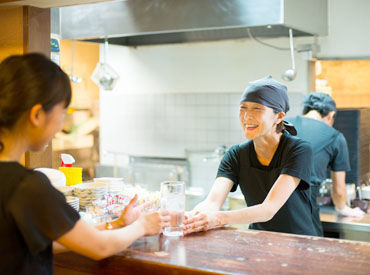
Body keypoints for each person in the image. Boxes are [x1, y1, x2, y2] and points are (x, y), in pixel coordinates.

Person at [0, 53, 170, 275]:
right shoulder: (28, 187)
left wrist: (117, 224)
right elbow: (100, 247)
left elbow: (45, 242)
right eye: (62, 112)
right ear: (37, 115)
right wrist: (142, 226)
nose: (62, 123)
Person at [183, 76, 317, 236]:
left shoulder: (298, 150)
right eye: (243, 107)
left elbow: (269, 209)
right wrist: (189, 219)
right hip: (259, 241)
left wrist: (218, 219)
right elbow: (212, 202)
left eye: (257, 108)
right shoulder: (236, 155)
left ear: (279, 116)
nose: (247, 116)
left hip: (298, 242)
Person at [286, 92, 364, 236]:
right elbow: (339, 190)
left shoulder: (282, 125)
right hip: (304, 218)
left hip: (266, 214)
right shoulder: (335, 137)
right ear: (330, 115)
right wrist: (343, 209)